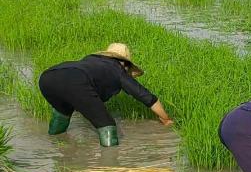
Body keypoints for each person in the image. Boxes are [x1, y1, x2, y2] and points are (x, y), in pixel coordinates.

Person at [38, 43, 173, 147]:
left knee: (63, 111)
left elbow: (74, 87)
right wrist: (166, 119)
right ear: (125, 64)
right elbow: (146, 96)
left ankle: (54, 144)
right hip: (77, 80)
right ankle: (109, 165)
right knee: (107, 125)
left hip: (47, 78)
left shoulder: (91, 60)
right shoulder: (118, 70)